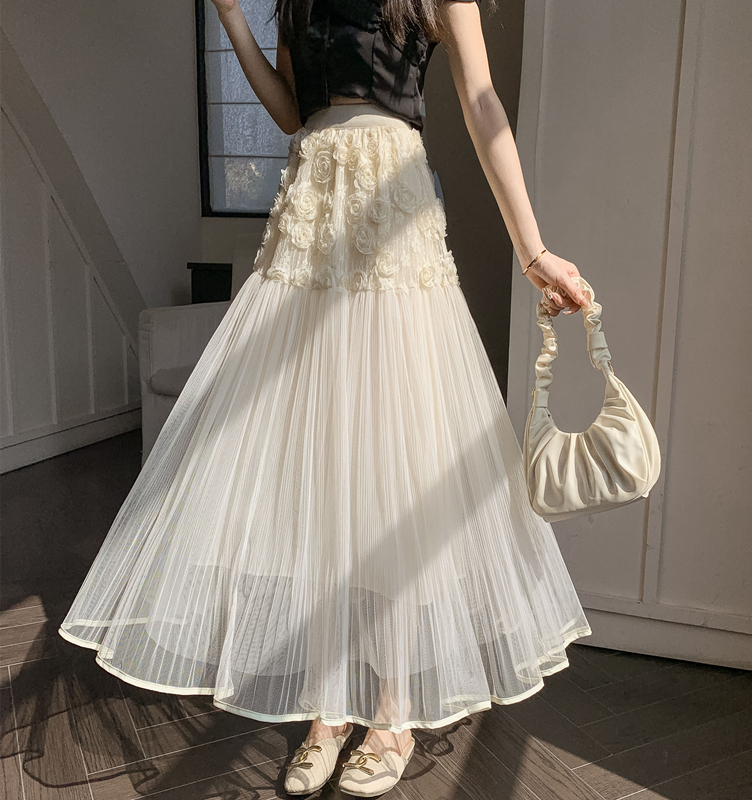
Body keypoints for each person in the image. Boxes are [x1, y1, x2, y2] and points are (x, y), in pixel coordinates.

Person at [59, 0, 593, 796]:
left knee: (395, 472)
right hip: (309, 230)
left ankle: (393, 713)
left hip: (391, 221)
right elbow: (291, 110)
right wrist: (232, 19)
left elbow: (483, 104)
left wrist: (533, 249)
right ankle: (327, 708)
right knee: (316, 475)